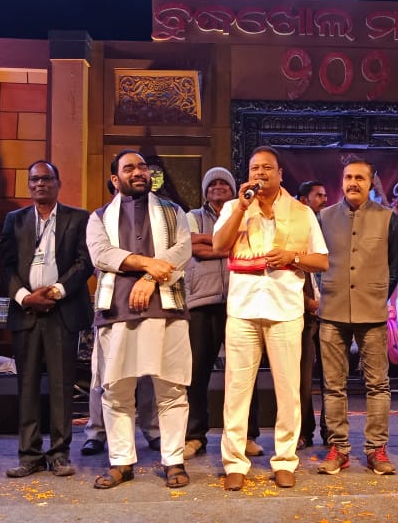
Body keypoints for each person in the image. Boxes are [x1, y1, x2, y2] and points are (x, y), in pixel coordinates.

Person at [213, 146, 328, 491]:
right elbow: (219, 245)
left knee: (288, 390)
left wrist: (293, 257)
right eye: (254, 168)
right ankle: (235, 462)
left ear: (280, 174)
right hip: (243, 310)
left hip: (285, 310)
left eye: (267, 168)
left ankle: (285, 460)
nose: (260, 173)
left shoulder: (301, 212)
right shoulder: (234, 207)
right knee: (236, 390)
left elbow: (322, 261)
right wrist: (241, 207)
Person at [85, 149, 193, 489]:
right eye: (129, 168)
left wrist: (148, 280)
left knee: (172, 388)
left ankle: (173, 460)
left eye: (142, 167)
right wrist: (148, 264)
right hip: (117, 311)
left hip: (167, 308)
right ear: (115, 179)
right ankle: (121, 461)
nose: (138, 172)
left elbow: (183, 251)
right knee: (116, 390)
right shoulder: (99, 217)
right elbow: (101, 254)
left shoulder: (174, 212)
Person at [0, 161, 93, 478]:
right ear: (29, 185)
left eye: (47, 179)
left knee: (61, 385)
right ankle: (29, 455)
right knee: (26, 385)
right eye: (35, 179)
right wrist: (25, 297)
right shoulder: (15, 220)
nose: (40, 184)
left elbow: (85, 262)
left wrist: (56, 291)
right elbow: (6, 266)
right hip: (26, 311)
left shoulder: (78, 218)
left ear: (58, 183)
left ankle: (60, 454)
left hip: (61, 311)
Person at [315, 158, 398, 476]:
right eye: (348, 177)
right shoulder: (324, 217)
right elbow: (315, 259)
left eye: (360, 178)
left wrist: (380, 292)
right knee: (333, 385)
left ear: (370, 182)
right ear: (342, 181)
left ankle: (376, 449)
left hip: (372, 311)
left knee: (377, 384)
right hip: (332, 310)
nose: (353, 183)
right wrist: (323, 287)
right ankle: (338, 449)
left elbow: (397, 264)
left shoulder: (388, 218)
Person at [81, 178, 164, 458]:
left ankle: (152, 429)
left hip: (150, 301)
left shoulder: (156, 218)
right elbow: (100, 258)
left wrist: (145, 271)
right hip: (113, 305)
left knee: (148, 371)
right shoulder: (101, 219)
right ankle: (96, 432)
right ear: (114, 188)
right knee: (104, 374)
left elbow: (164, 259)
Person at [184, 167, 263, 460]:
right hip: (201, 303)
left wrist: (212, 242)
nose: (217, 187)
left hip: (239, 302)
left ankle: (246, 436)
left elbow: (251, 247)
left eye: (224, 183)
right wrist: (227, 244)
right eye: (212, 183)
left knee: (244, 372)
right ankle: (194, 436)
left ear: (233, 189)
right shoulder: (192, 216)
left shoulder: (244, 214)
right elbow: (192, 247)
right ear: (205, 190)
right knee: (196, 374)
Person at [296, 180, 327, 449]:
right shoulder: (294, 229)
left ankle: (332, 432)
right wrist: (306, 301)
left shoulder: (330, 227)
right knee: (301, 378)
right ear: (303, 201)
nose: (325, 199)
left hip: (330, 312)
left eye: (325, 195)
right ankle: (303, 431)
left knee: (332, 378)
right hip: (303, 312)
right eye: (319, 195)